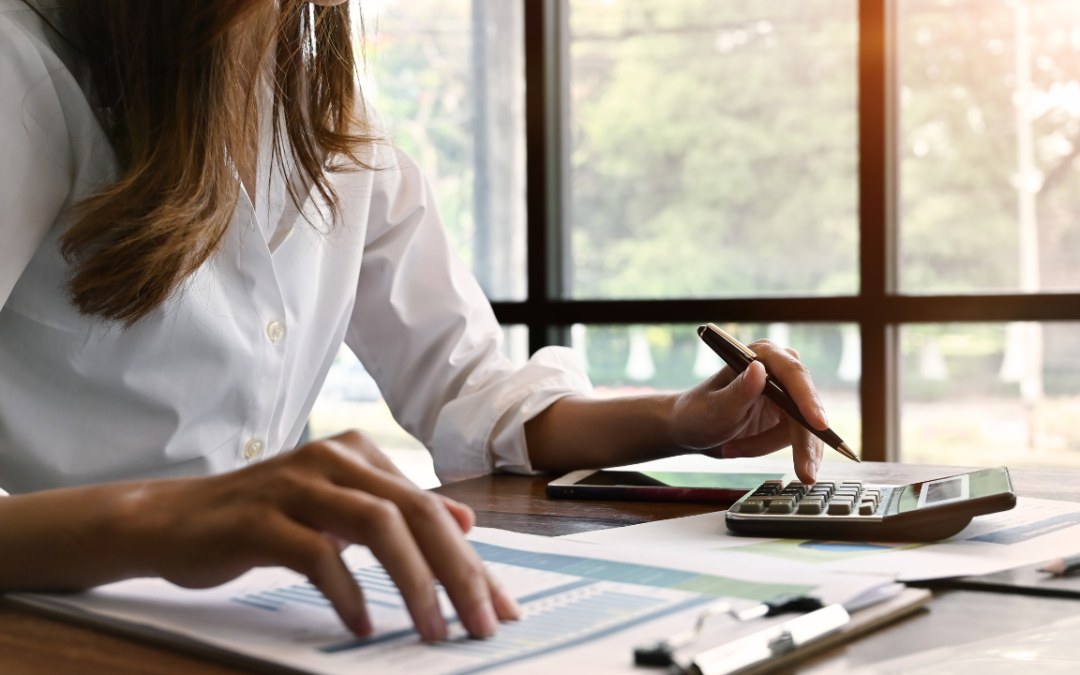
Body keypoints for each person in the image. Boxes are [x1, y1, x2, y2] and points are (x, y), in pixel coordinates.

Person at [0, 0, 829, 642]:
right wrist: (157, 519)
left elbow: (470, 392)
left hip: (259, 624)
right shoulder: (23, 70)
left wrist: (681, 418)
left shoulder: (326, 115)